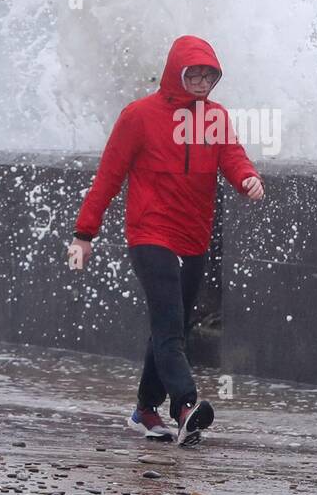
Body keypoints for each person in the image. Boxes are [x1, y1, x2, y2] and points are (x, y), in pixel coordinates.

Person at [69, 35, 264, 447]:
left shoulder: (215, 118)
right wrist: (84, 234)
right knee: (171, 326)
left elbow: (232, 156)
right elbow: (108, 176)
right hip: (150, 234)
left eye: (208, 74)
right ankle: (185, 405)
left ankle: (144, 410)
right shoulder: (139, 116)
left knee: (171, 326)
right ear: (176, 72)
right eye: (193, 72)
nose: (201, 81)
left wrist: (247, 179)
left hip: (193, 239)